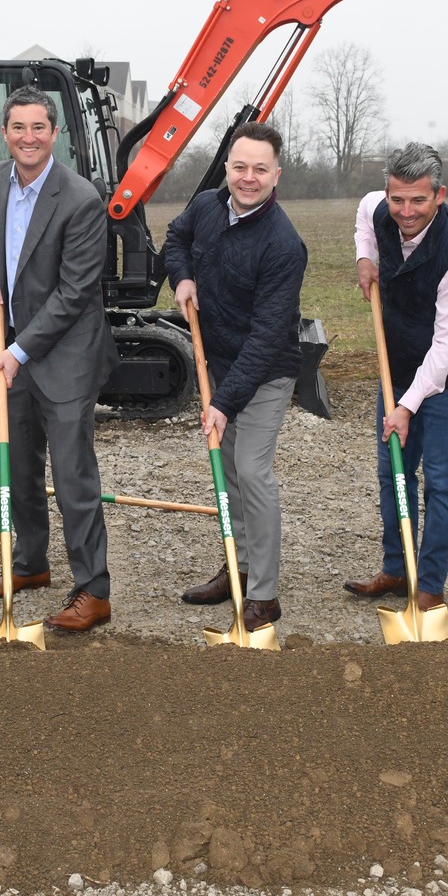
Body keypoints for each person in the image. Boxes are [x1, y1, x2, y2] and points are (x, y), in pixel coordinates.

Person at [0, 85, 118, 632]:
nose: (28, 137)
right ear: (5, 133)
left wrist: (17, 349)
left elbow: (74, 293)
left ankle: (94, 591)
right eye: (18, 128)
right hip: (11, 346)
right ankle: (31, 564)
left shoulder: (80, 199)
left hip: (64, 354)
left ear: (55, 134)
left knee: (73, 473)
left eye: (39, 128)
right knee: (17, 463)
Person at [162, 122, 307, 630]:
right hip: (218, 360)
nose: (248, 178)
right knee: (226, 472)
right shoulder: (206, 205)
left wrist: (223, 404)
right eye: (240, 167)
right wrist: (181, 277)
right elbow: (175, 237)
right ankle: (237, 568)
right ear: (227, 167)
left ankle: (264, 596)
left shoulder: (284, 245)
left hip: (265, 371)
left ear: (276, 175)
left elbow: (268, 339)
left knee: (251, 469)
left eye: (260, 169)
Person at [344, 144, 448, 611]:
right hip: (398, 363)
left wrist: (407, 406)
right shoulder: (377, 206)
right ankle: (396, 568)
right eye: (398, 199)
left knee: (442, 481)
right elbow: (366, 215)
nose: (405, 211)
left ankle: (429, 588)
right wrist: (366, 256)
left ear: (439, 195)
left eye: (418, 201)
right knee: (394, 473)